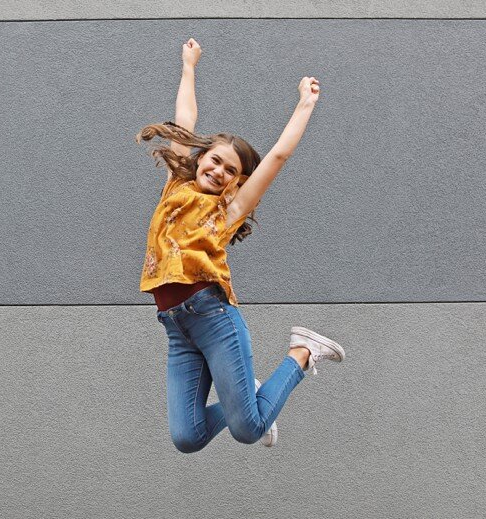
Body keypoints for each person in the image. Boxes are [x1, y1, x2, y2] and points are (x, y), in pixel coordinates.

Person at [136, 38, 345, 453]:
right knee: (187, 437)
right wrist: (188, 66)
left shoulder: (227, 212)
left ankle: (302, 352)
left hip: (213, 318)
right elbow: (185, 119)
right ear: (199, 160)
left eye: (231, 170)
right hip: (176, 327)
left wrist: (305, 102)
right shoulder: (175, 186)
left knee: (247, 429)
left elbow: (278, 156)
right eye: (214, 160)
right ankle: (247, 397)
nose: (219, 171)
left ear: (237, 182)